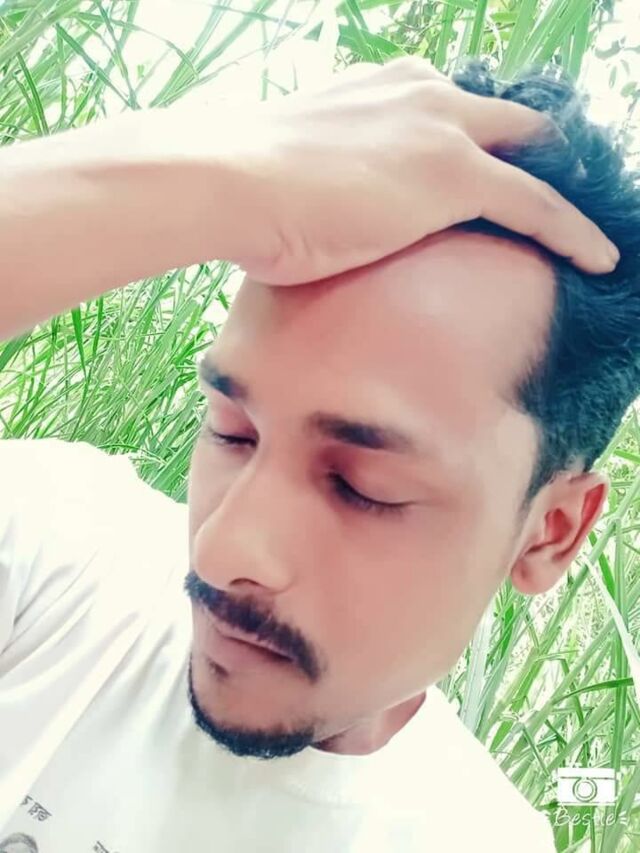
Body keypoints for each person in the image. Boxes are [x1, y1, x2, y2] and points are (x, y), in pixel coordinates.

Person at [0, 56, 636, 852]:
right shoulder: (59, 555)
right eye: (231, 431)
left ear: (551, 531)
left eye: (364, 487)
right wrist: (217, 179)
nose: (221, 548)